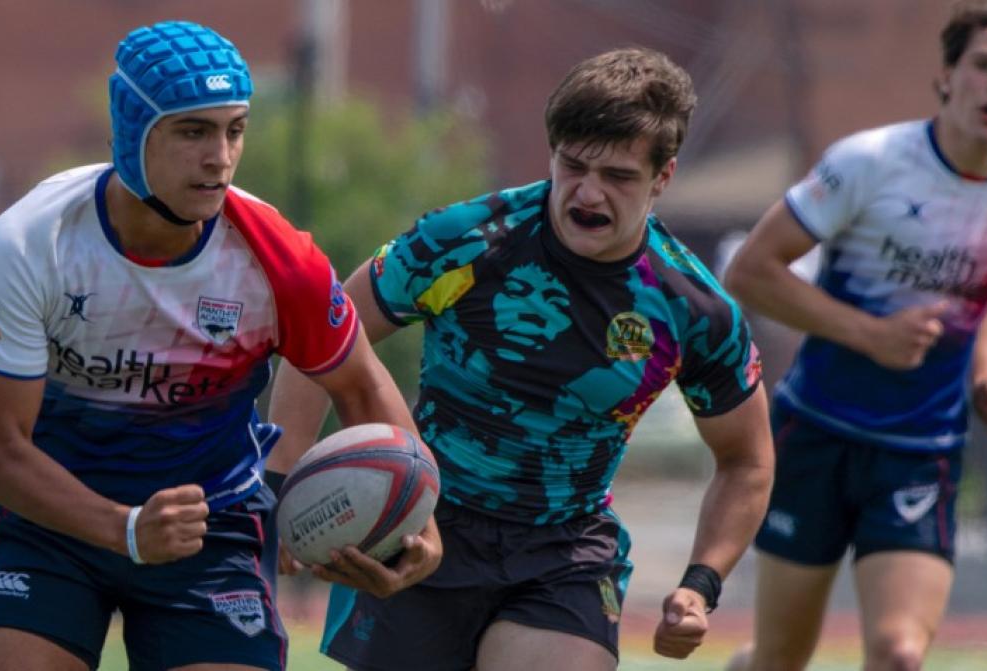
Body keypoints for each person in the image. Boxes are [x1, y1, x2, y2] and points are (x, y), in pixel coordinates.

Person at [267, 47, 774, 670]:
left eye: (617, 176)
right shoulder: (467, 241)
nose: (587, 193)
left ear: (662, 177)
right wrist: (278, 480)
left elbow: (747, 460)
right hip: (422, 527)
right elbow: (322, 333)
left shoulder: (693, 308)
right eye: (573, 165)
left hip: (565, 551)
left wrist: (701, 583)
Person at [0, 21, 439, 671]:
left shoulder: (277, 257)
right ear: (134, 132)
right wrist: (126, 529)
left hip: (211, 533)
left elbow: (359, 383)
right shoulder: (29, 243)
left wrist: (418, 520)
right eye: (193, 131)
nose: (220, 156)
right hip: (51, 526)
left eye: (234, 129)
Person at [722, 1, 987, 669]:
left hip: (920, 446)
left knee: (899, 653)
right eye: (984, 65)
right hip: (816, 429)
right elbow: (749, 272)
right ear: (946, 75)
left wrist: (986, 377)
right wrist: (871, 334)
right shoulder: (867, 162)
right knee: (780, 660)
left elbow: (984, 287)